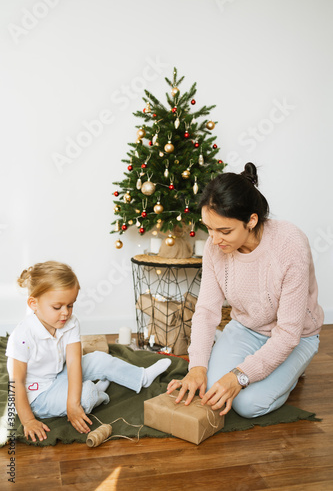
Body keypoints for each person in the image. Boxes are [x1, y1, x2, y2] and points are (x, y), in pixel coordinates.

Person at [167, 162, 323, 418]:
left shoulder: (290, 244)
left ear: (251, 220)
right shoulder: (214, 247)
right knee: (212, 390)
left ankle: (292, 374)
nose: (214, 240)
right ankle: (258, 368)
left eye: (224, 231)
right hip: (245, 330)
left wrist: (238, 376)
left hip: (297, 337)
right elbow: (206, 311)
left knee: (248, 405)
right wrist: (196, 367)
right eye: (209, 229)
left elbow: (288, 334)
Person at [6, 261, 171, 442]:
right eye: (57, 307)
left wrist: (72, 402)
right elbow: (17, 383)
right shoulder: (21, 337)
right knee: (86, 395)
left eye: (70, 305)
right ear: (33, 304)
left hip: (59, 375)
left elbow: (74, 363)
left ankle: (140, 377)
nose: (65, 313)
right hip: (39, 396)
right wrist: (29, 420)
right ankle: (97, 394)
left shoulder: (70, 323)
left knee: (100, 359)